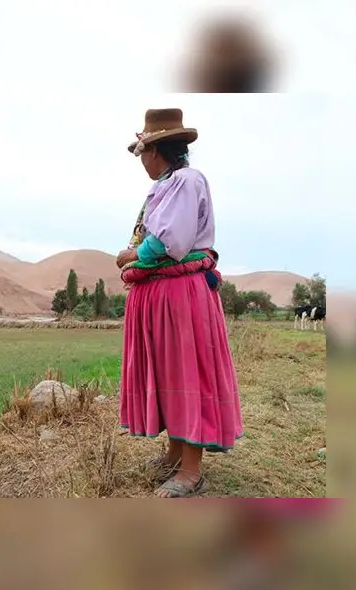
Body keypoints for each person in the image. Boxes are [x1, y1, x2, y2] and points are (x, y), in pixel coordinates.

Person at [116, 108, 244, 498]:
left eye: (141, 153)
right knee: (169, 374)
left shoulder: (186, 181)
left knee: (186, 374)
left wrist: (132, 256)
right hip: (165, 298)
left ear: (154, 150)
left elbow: (169, 242)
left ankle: (191, 471)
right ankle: (174, 453)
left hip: (181, 297)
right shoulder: (172, 182)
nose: (141, 162)